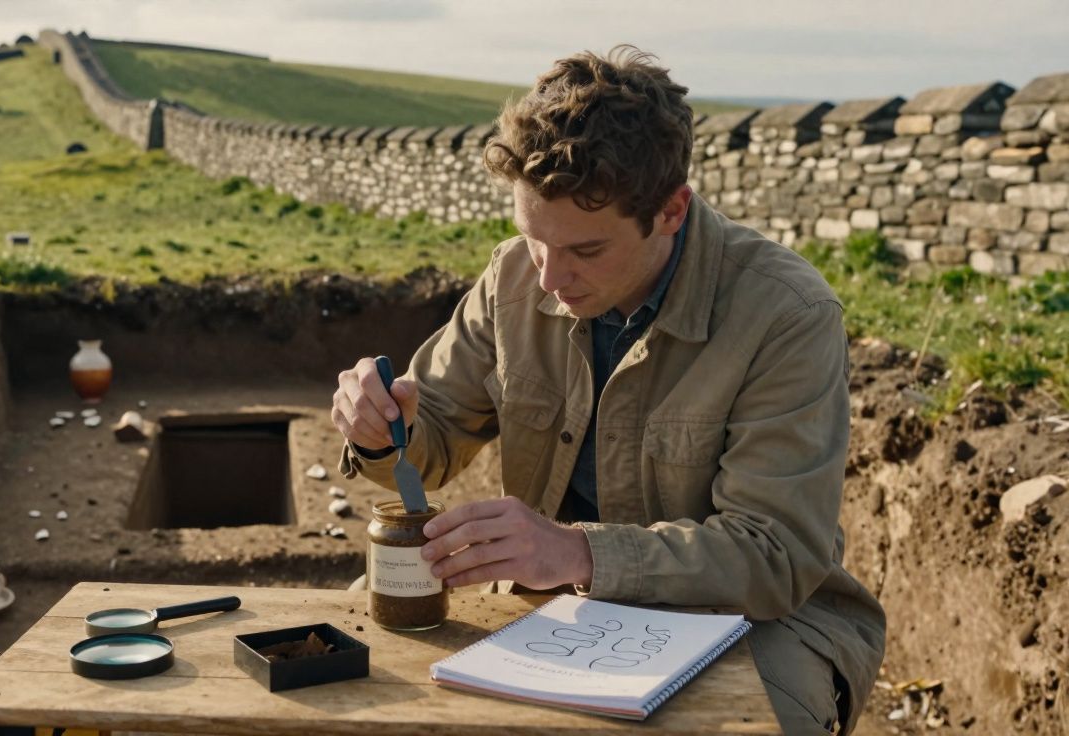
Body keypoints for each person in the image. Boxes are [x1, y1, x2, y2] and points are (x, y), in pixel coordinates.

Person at [331, 45, 885, 735]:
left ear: (672, 211)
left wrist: (577, 552)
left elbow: (774, 556)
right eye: (533, 239)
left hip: (758, 622)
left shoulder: (786, 315)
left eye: (586, 252)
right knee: (357, 681)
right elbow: (431, 437)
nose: (548, 280)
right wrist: (385, 431)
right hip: (553, 606)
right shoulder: (513, 277)